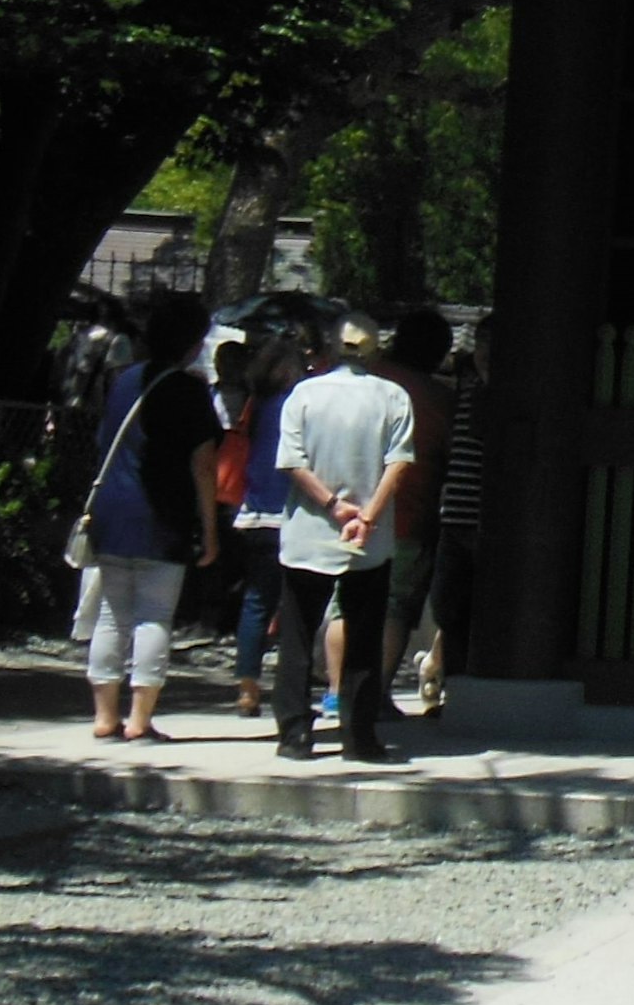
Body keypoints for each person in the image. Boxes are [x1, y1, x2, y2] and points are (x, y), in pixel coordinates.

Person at [73, 295, 222, 741]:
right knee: (154, 616)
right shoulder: (190, 390)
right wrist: (210, 530)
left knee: (111, 615)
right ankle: (140, 720)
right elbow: (203, 464)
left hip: (111, 511)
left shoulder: (123, 381)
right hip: (164, 515)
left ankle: (103, 716)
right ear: (194, 344)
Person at [272, 319, 417, 762]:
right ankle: (360, 736)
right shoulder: (393, 396)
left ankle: (295, 734)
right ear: (374, 353)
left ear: (332, 348)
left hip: (309, 530)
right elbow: (399, 463)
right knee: (364, 634)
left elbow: (292, 462)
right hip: (369, 537)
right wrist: (367, 515)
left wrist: (333, 506)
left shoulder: (305, 394)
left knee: (297, 634)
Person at [372, 309, 457, 714]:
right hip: (410, 510)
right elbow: (446, 453)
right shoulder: (437, 398)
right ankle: (377, 691)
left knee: (346, 605)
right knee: (395, 607)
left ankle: (342, 690)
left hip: (348, 510)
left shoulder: (367, 380)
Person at [218, 325, 300, 719]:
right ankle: (292, 684)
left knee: (256, 601)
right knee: (295, 602)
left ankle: (247, 689)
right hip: (288, 512)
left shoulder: (257, 403)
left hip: (253, 510)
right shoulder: (295, 403)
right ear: (286, 370)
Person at [422, 315, 491, 711]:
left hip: (486, 515)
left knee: (479, 605)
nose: (485, 352)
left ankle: (465, 683)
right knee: (447, 603)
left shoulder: (505, 389)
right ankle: (452, 677)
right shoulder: (461, 384)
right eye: (481, 343)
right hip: (455, 513)